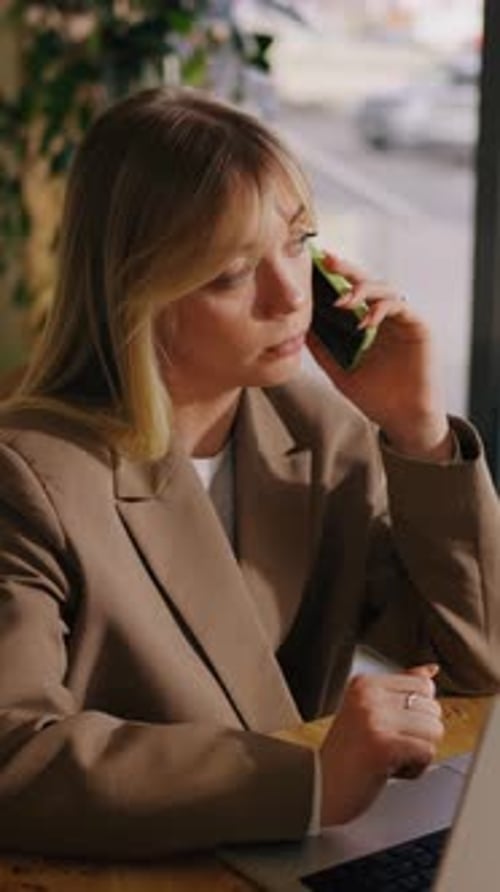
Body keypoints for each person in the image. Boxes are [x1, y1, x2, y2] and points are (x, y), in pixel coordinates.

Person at [0, 86, 499, 861]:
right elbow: (14, 758)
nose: (291, 295)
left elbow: (481, 660)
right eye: (233, 273)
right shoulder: (27, 477)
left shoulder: (318, 431)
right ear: (137, 293)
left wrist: (419, 431)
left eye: (300, 243)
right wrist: (306, 783)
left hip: (305, 854)